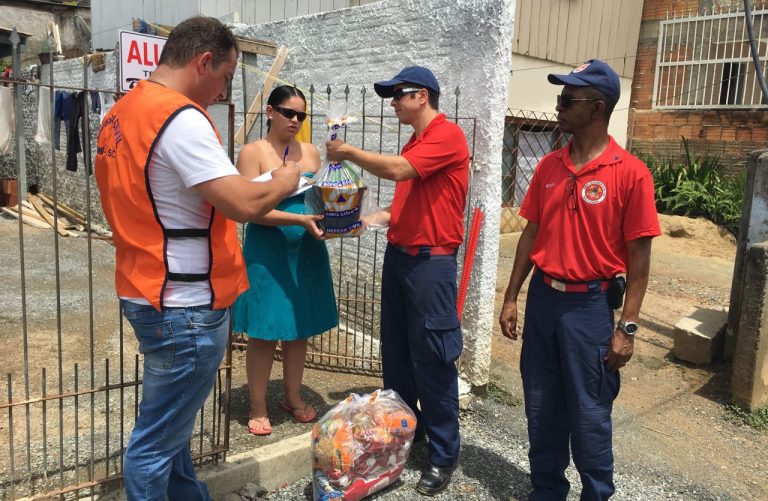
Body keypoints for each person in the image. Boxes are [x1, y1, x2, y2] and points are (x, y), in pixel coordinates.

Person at [95, 17, 299, 501]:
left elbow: (180, 196)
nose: (223, 90)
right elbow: (244, 205)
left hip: (147, 287)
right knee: (153, 445)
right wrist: (287, 181)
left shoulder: (122, 113)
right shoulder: (179, 118)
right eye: (226, 77)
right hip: (184, 303)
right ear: (203, 61)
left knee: (171, 430)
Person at [498, 59, 661, 500]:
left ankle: (596, 493)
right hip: (544, 302)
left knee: (589, 413)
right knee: (541, 405)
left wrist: (627, 328)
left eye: (568, 100)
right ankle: (547, 490)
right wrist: (512, 296)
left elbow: (639, 262)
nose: (559, 107)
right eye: (560, 99)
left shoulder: (630, 174)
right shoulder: (549, 167)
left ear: (597, 108)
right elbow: (530, 234)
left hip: (588, 309)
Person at [326, 65, 469, 496]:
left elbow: (398, 171)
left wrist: (348, 153)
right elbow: (405, 205)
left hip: (430, 265)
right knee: (398, 354)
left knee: (433, 358)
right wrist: (364, 220)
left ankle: (444, 454)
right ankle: (410, 430)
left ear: (422, 95)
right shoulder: (417, 141)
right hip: (402, 259)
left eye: (398, 95)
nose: (392, 103)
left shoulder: (446, 135)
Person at [232, 85, 338, 436]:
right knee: (264, 332)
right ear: (270, 111)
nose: (295, 120)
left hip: (307, 251)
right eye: (288, 112)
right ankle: (258, 403)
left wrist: (340, 219)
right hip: (267, 252)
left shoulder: (310, 153)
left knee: (299, 329)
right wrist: (299, 221)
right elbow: (250, 210)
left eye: (301, 115)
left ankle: (291, 396)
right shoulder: (252, 152)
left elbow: (318, 204)